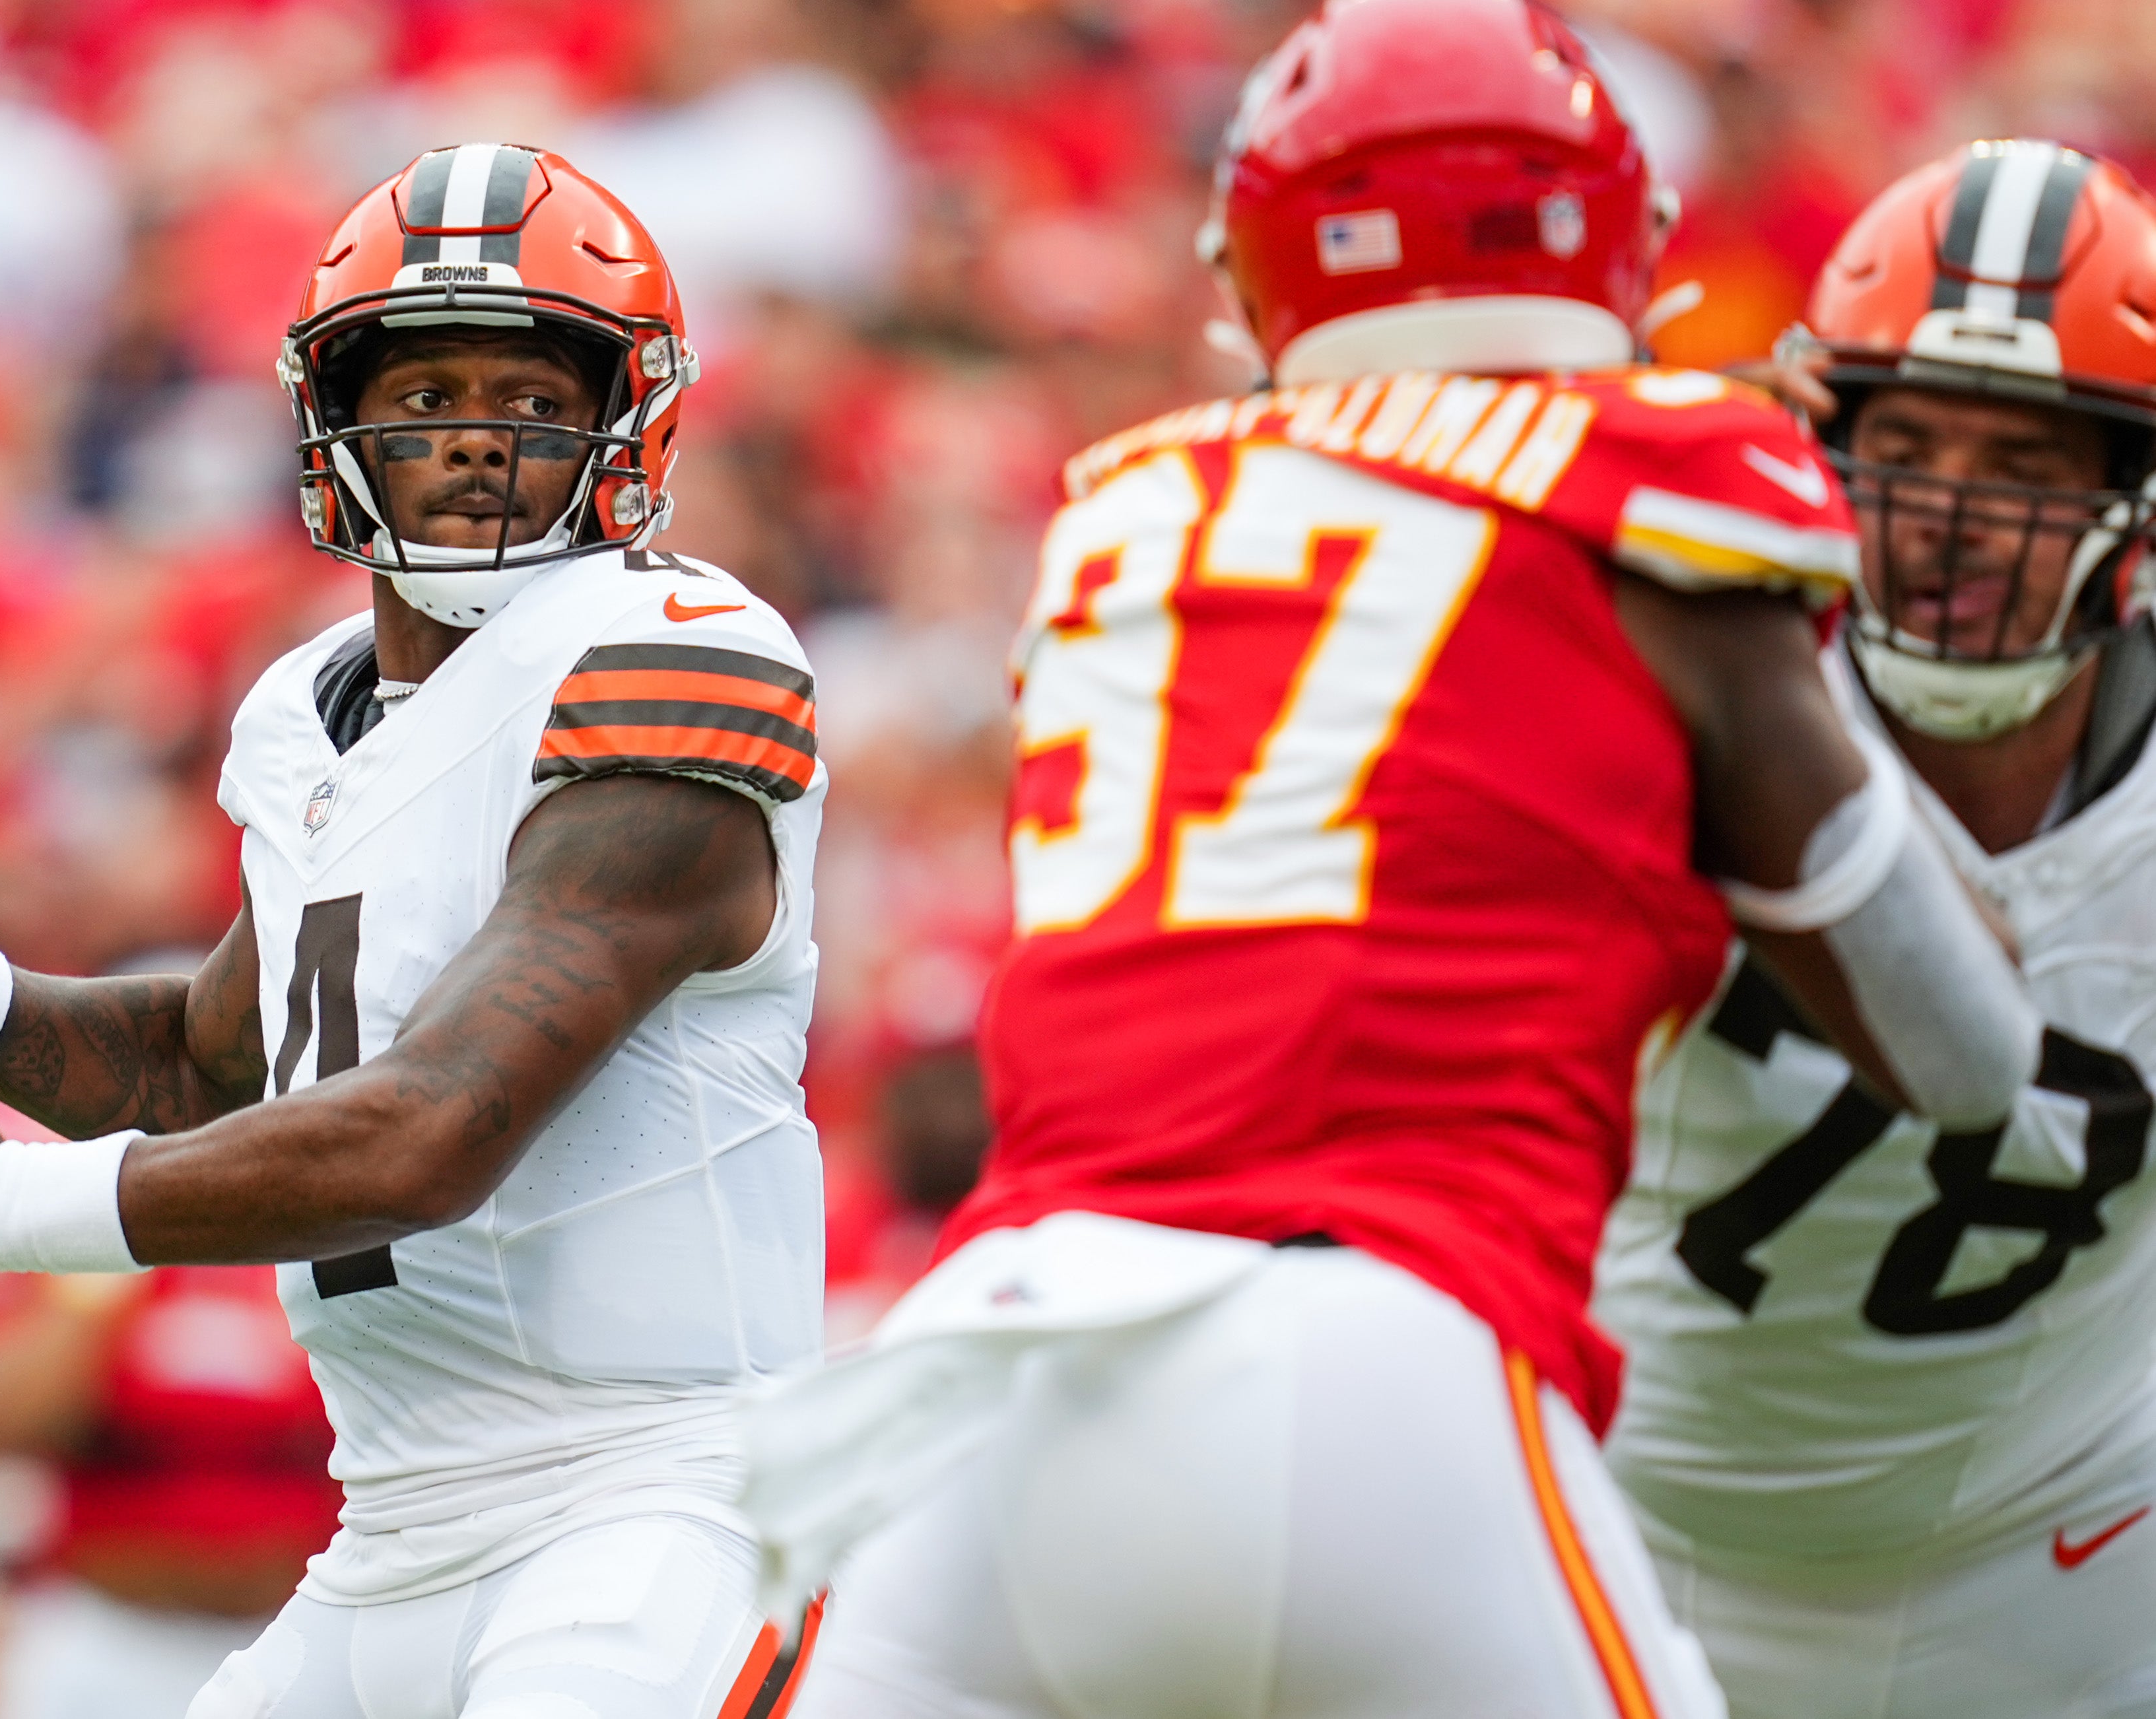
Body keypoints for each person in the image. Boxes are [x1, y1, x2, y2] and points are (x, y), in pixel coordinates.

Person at [737, 5, 2044, 1715]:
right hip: (1379, 1356)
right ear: (1611, 241)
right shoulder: (1647, 501)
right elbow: (1962, 1054)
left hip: (987, 1360)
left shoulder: (1124, 508)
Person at [0, 145, 828, 1718]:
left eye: (527, 393)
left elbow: (433, 1129)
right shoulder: (307, 714)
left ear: (622, 415)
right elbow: (211, 1063)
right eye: (424, 392)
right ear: (332, 413)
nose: (473, 442)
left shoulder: (672, 657)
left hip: (650, 1502)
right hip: (388, 1527)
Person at [1597, 139, 2156, 1719]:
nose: (1953, 519)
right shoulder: (1674, 682)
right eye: (1908, 444)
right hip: (1628, 1527)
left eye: (2027, 471)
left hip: (2063, 1551)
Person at [0, 1267, 342, 1719]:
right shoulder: (89, 1268)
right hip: (108, 1638)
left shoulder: (315, 1260)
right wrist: (93, 1294)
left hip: (288, 1641)